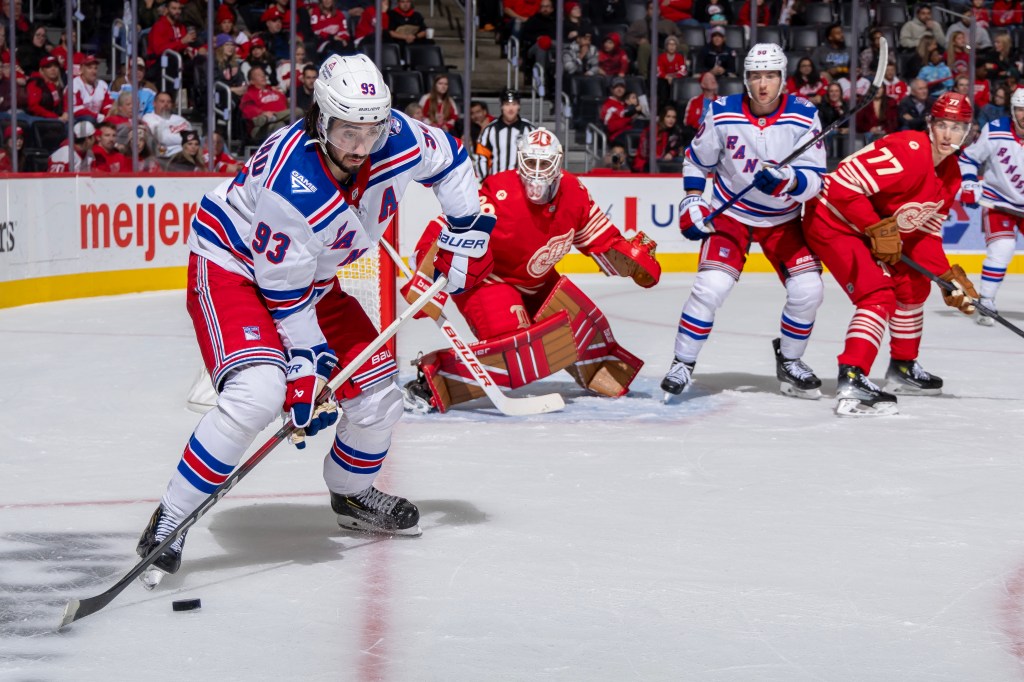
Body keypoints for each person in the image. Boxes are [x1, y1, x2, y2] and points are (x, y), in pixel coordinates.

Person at [135, 53, 495, 581]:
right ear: (321, 119)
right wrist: (307, 371)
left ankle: (351, 495)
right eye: (347, 132)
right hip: (235, 271)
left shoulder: (398, 136)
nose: (359, 147)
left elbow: (453, 162)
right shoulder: (291, 182)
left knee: (378, 397)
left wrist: (465, 229)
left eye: (370, 132)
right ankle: (170, 517)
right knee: (257, 393)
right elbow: (285, 296)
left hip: (313, 279)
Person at [402, 127, 660, 413]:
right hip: (490, 281)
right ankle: (434, 379)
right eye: (531, 162)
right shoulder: (499, 192)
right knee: (519, 351)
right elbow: (450, 227)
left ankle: (598, 369)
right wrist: (428, 271)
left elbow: (599, 238)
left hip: (538, 283)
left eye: (544, 163)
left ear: (558, 164)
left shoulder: (574, 192)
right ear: (520, 161)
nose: (537, 172)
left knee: (584, 325)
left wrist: (628, 256)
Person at [663, 43, 827, 400]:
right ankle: (682, 362)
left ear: (783, 79)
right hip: (731, 214)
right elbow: (697, 162)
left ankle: (791, 359)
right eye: (755, 76)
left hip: (783, 219)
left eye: (770, 75)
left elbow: (816, 179)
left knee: (809, 290)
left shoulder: (804, 114)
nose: (763, 83)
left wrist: (789, 181)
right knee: (710, 288)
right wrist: (693, 200)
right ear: (746, 79)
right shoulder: (721, 111)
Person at [801, 92, 978, 416]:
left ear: (967, 132)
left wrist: (946, 278)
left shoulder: (951, 174)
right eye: (942, 125)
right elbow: (840, 185)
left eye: (957, 127)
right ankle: (853, 375)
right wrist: (876, 227)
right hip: (832, 220)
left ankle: (902, 367)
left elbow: (923, 234)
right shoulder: (909, 150)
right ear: (930, 124)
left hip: (867, 232)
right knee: (878, 295)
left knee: (914, 285)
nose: (948, 134)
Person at [959, 88, 1024, 326]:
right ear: (1012, 110)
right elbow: (969, 158)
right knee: (1003, 247)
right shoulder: (996, 130)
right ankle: (986, 301)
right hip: (999, 201)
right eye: (1020, 109)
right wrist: (969, 182)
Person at [475, 88, 535, 179]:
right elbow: (481, 158)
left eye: (514, 104)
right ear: (501, 106)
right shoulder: (489, 130)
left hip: (522, 183)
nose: (510, 108)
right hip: (496, 182)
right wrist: (485, 180)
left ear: (519, 106)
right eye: (507, 104)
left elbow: (536, 157)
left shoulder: (530, 129)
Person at [633, 104, 683, 172]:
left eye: (674, 117)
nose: (671, 120)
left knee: (682, 162)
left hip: (665, 161)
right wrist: (658, 157)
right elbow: (644, 152)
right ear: (662, 117)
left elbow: (677, 147)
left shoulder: (675, 131)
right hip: (646, 162)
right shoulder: (651, 130)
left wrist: (671, 153)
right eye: (668, 116)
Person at [143, 91, 193, 157]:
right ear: (154, 103)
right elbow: (162, 138)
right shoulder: (148, 118)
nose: (166, 104)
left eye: (169, 102)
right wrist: (182, 138)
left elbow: (191, 138)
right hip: (164, 158)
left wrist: (169, 134)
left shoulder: (179, 119)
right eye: (162, 101)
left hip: (185, 156)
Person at [71, 55, 112, 123]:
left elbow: (107, 105)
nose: (93, 71)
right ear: (81, 69)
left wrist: (109, 115)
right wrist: (98, 117)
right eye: (89, 68)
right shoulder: (74, 85)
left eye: (95, 68)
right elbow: (76, 110)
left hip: (99, 119)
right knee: (89, 119)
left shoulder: (102, 85)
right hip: (78, 121)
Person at [26, 55, 67, 121]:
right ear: (42, 70)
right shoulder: (36, 83)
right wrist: (55, 117)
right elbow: (33, 107)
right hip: (40, 120)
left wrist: (65, 113)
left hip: (57, 118)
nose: (53, 69)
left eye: (55, 66)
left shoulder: (59, 85)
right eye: (48, 67)